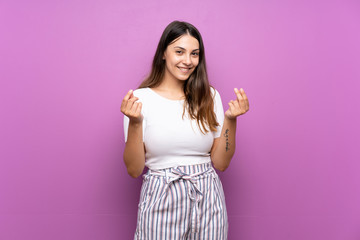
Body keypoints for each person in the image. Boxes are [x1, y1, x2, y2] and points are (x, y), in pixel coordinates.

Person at [121, 20, 249, 240]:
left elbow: (221, 163)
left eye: (194, 54)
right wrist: (134, 122)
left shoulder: (209, 96)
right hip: (162, 195)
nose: (187, 61)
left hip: (208, 196)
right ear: (163, 53)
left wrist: (231, 120)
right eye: (179, 52)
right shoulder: (141, 99)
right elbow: (134, 169)